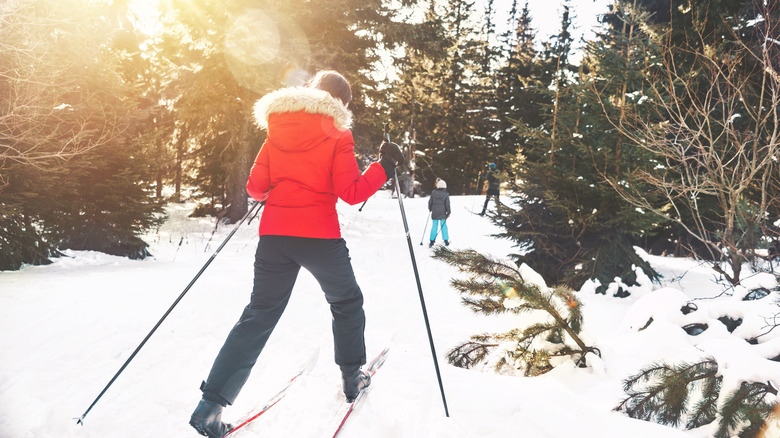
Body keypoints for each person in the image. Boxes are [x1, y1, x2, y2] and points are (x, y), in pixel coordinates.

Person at [189, 70, 404, 438]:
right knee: (346, 301)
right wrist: (383, 166)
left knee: (258, 315)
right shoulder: (339, 132)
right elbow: (351, 192)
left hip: (275, 237)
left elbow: (256, 188)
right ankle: (353, 377)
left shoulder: (277, 124)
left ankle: (210, 407)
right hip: (319, 235)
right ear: (341, 103)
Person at [428, 179, 451, 247]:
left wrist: (430, 209)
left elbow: (430, 202)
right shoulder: (446, 194)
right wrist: (448, 212)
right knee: (443, 226)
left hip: (435, 212)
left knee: (434, 226)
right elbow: (447, 204)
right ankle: (446, 240)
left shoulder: (433, 193)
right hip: (442, 212)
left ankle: (432, 240)